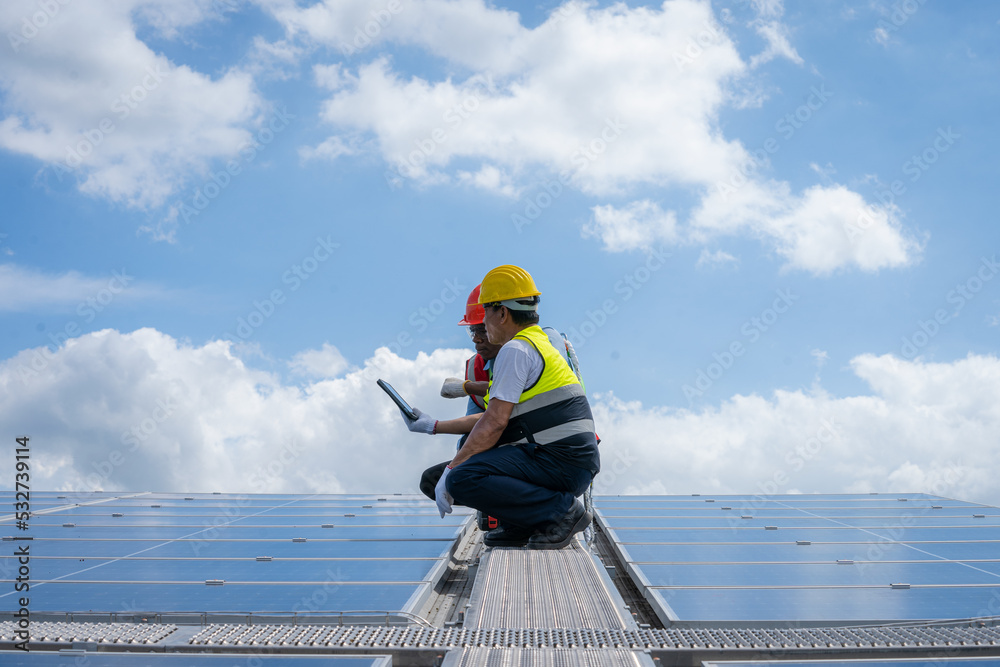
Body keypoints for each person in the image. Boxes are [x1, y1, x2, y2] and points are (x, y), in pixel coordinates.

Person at [401, 265, 600, 550]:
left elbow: (494, 422)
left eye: (485, 316)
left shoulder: (515, 350)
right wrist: (434, 427)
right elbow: (495, 416)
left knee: (462, 477)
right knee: (437, 478)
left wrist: (454, 471)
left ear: (502, 313)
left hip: (561, 463)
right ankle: (524, 523)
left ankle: (562, 513)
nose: (480, 331)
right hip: (566, 461)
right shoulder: (534, 344)